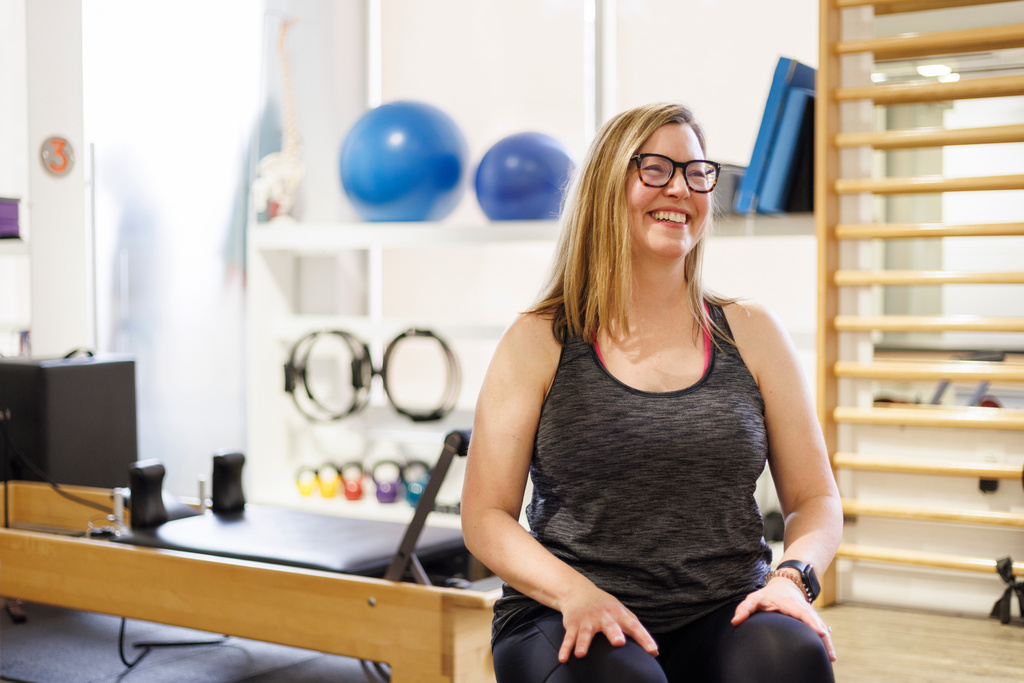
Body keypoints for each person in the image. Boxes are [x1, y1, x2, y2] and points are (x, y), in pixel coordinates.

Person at [461, 102, 843, 683]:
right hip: (567, 607)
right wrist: (575, 593)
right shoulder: (541, 338)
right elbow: (486, 516)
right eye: (656, 169)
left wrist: (792, 577)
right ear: (606, 186)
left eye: (696, 172)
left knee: (789, 656)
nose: (681, 188)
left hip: (724, 604)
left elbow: (816, 499)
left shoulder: (752, 332)